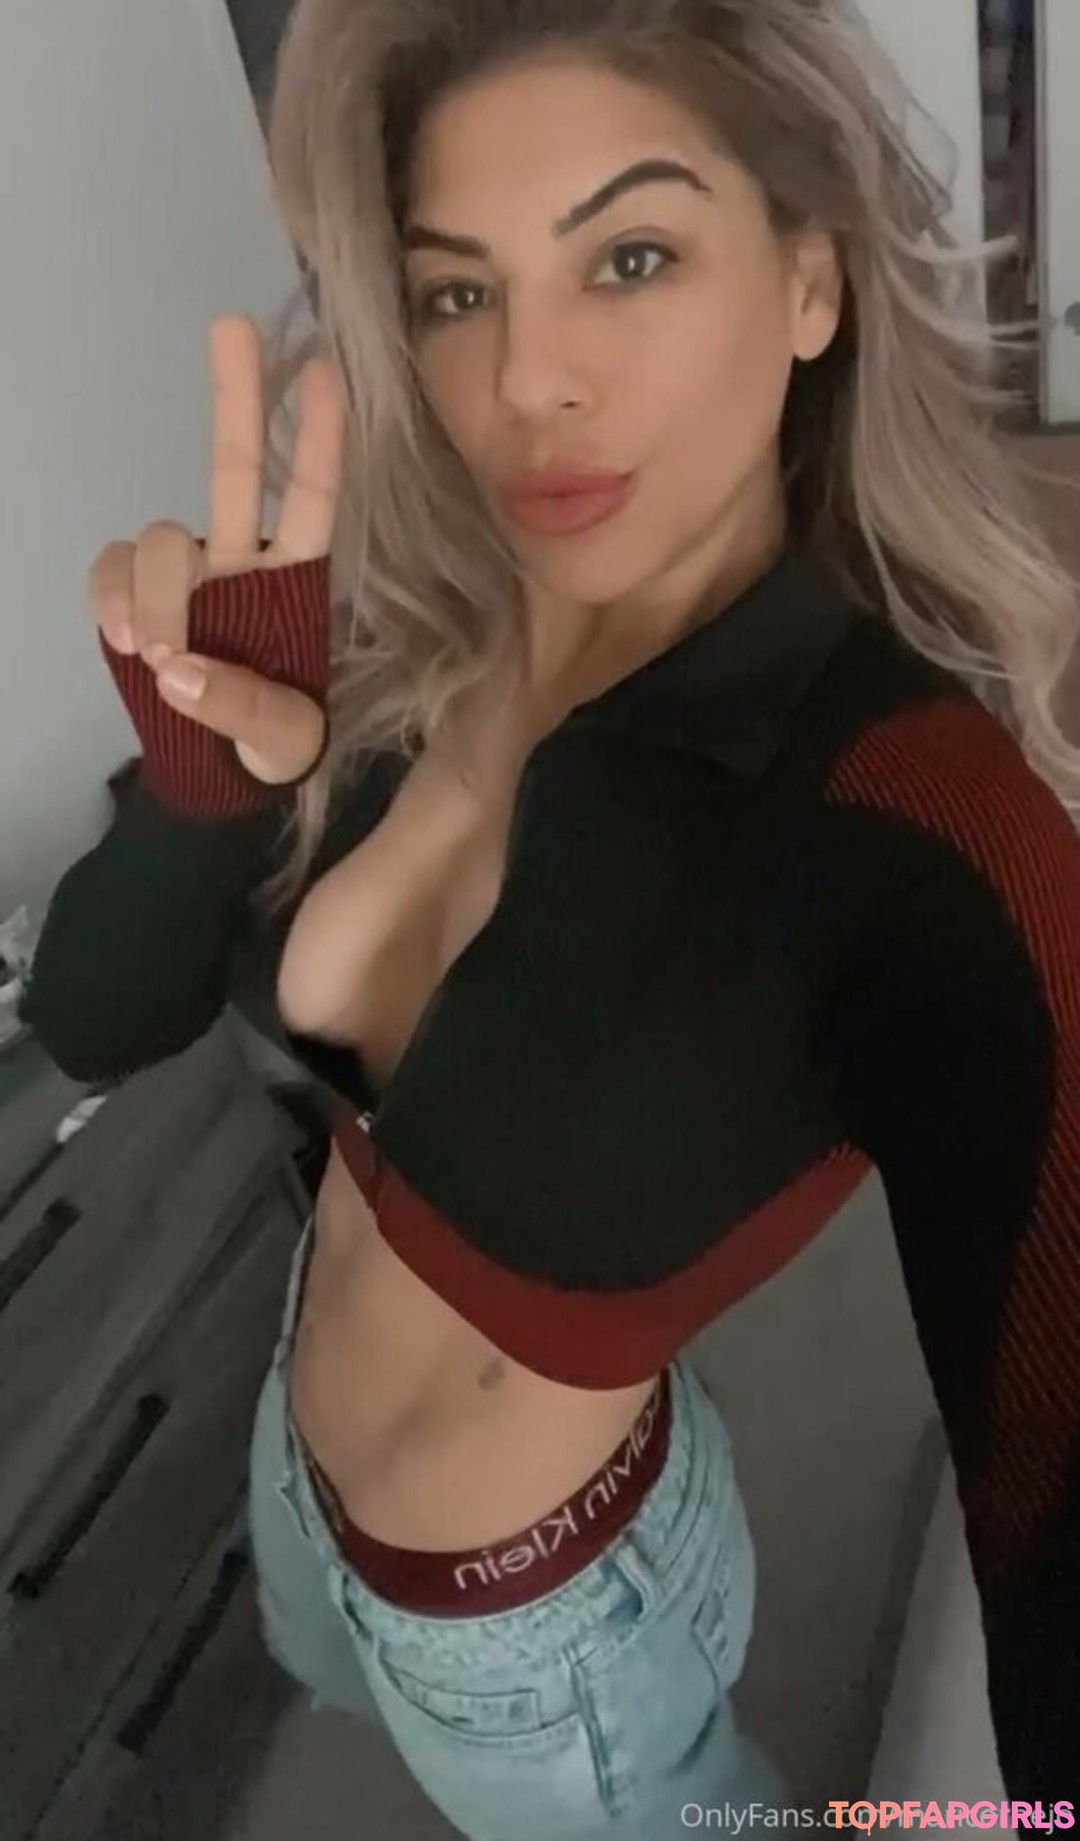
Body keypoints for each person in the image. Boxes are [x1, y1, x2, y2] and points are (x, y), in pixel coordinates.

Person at [22, 0, 1080, 1829]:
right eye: (458, 291)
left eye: (632, 256)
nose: (529, 381)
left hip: (549, 1639)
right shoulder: (392, 627)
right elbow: (94, 1020)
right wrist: (206, 786)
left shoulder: (910, 805)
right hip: (302, 1483)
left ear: (811, 280)